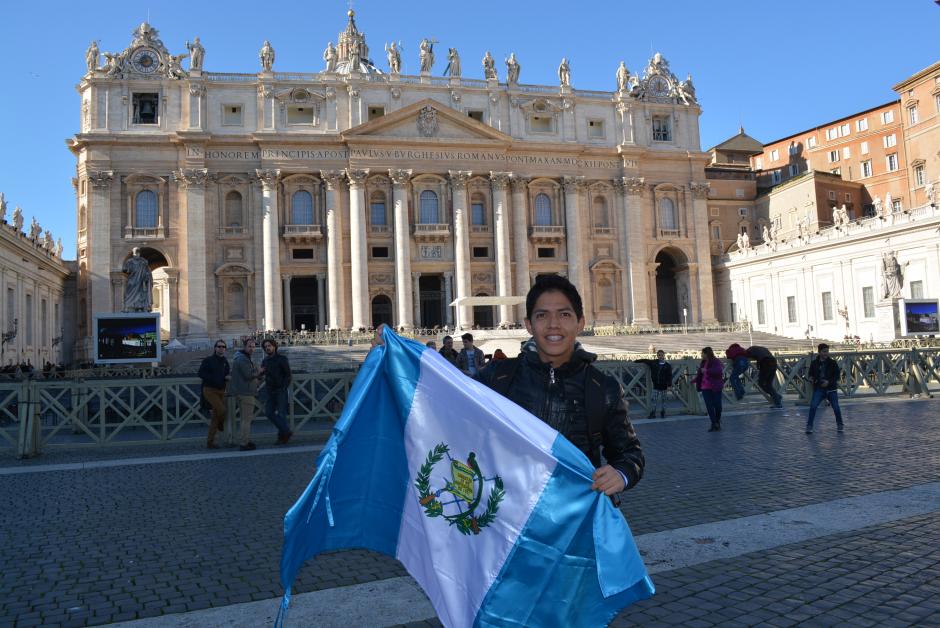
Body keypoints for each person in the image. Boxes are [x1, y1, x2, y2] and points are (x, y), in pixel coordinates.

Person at [476, 275, 644, 496]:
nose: (553, 324)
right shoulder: (495, 378)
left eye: (564, 314)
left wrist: (621, 473)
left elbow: (630, 454)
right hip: (510, 516)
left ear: (580, 323)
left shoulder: (603, 388)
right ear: (529, 324)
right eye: (542, 315)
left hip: (573, 517)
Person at [805, 343, 844, 434]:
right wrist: (811, 378)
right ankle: (809, 426)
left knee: (836, 407)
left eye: (827, 351)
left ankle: (840, 424)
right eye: (824, 351)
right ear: (819, 352)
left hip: (831, 389)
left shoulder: (833, 363)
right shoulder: (814, 363)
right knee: (813, 406)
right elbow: (810, 374)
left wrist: (828, 382)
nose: (826, 353)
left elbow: (837, 376)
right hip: (819, 388)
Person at [199, 340, 231, 449]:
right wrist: (217, 379)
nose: (221, 348)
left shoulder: (225, 361)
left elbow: (227, 374)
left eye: (223, 346)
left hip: (221, 390)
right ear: (215, 348)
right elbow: (201, 373)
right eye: (219, 346)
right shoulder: (208, 360)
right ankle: (220, 425)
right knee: (222, 410)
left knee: (215, 417)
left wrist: (227, 377)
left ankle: (210, 442)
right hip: (209, 390)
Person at [260, 338, 292, 444]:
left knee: (281, 414)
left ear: (274, 346)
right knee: (269, 413)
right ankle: (286, 431)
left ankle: (282, 437)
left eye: (269, 346)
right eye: (265, 347)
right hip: (269, 390)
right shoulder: (264, 361)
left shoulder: (282, 359)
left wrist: (283, 387)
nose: (267, 348)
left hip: (280, 390)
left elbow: (288, 375)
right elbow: (262, 374)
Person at [230, 338, 260, 451]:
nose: (252, 348)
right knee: (246, 419)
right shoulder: (242, 359)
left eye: (253, 346)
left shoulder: (242, 357)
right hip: (245, 392)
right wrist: (259, 371)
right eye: (250, 346)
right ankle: (244, 443)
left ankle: (245, 439)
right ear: (244, 347)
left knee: (244, 419)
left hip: (242, 391)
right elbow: (248, 375)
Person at [692, 347, 724, 432]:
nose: (701, 355)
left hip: (715, 387)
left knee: (718, 406)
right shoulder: (702, 362)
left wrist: (706, 370)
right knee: (709, 406)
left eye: (702, 353)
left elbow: (718, 371)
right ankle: (714, 424)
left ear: (707, 353)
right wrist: (694, 380)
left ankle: (717, 421)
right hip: (705, 388)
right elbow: (700, 374)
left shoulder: (715, 361)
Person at [634, 350, 673, 418]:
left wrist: (669, 385)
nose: (660, 356)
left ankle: (663, 412)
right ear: (657, 356)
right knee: (654, 400)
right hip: (656, 385)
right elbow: (645, 360)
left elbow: (669, 376)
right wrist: (636, 361)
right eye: (659, 355)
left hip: (664, 385)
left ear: (664, 355)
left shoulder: (668, 365)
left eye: (662, 355)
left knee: (664, 400)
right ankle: (653, 413)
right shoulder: (653, 362)